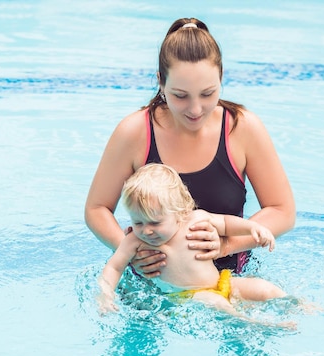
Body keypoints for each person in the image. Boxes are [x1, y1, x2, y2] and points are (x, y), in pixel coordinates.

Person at [85, 17, 295, 277]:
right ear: (161, 82)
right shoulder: (135, 132)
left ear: (221, 77)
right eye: (180, 96)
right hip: (153, 283)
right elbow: (97, 209)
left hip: (231, 279)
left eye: (208, 93)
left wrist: (227, 245)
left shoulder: (241, 128)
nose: (195, 110)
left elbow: (282, 211)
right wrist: (131, 252)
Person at [97, 164, 287, 319]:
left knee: (263, 288)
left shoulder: (195, 220)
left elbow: (226, 224)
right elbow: (114, 267)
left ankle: (298, 305)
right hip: (187, 297)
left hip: (222, 282)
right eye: (137, 222)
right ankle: (253, 325)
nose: (146, 230)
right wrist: (105, 295)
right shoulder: (134, 241)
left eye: (155, 222)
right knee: (217, 303)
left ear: (178, 211)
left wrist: (253, 228)